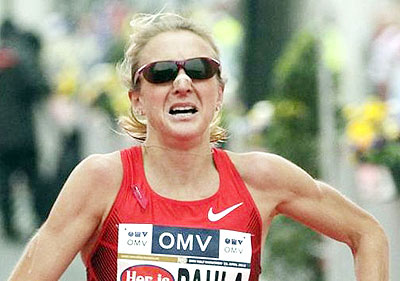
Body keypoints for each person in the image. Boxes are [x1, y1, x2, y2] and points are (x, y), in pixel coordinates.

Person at [8, 13, 388, 281]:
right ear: (137, 100)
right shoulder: (102, 180)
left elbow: (368, 234)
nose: (182, 81)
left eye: (199, 69)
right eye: (160, 73)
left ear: (219, 92)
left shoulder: (262, 178)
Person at [0, 19, 49, 240]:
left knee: (3, 184)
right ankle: (41, 223)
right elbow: (39, 86)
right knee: (33, 180)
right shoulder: (22, 53)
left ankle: (10, 227)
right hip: (23, 133)